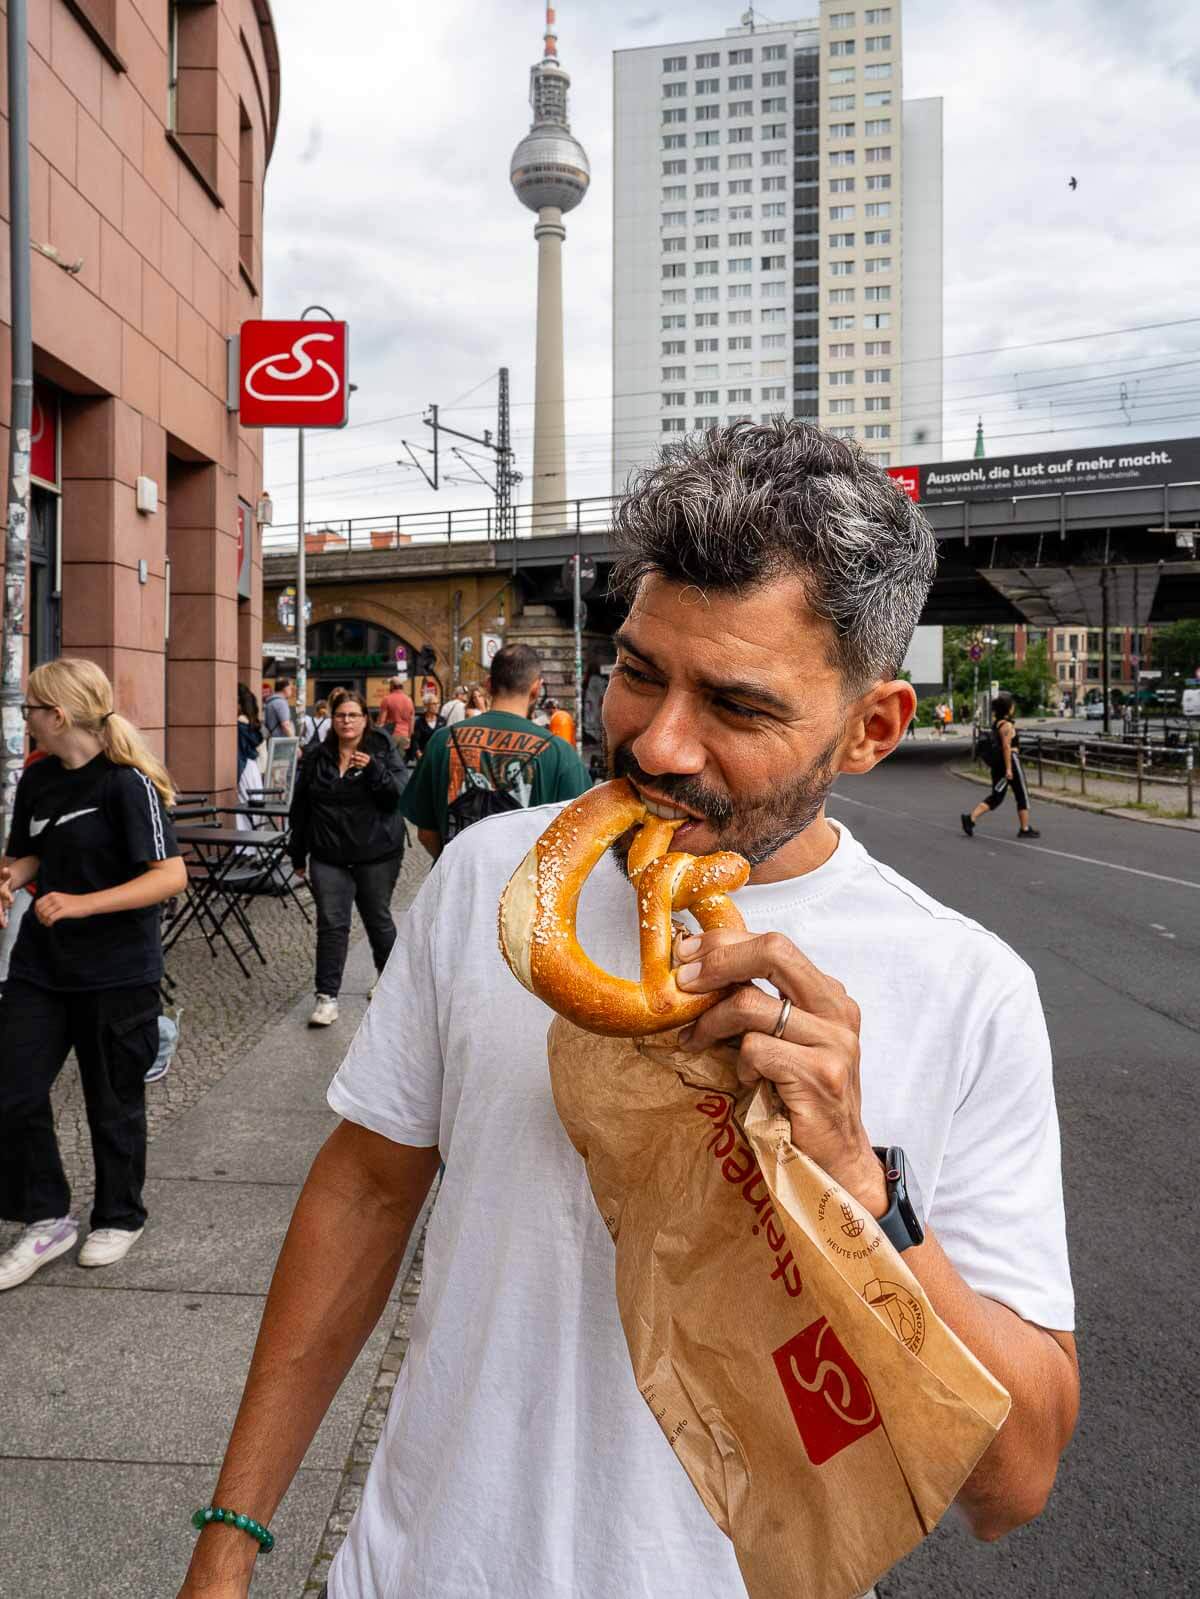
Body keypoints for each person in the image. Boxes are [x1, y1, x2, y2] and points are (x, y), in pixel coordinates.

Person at [177, 423, 1077, 1599]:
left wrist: (860, 1183)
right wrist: (227, 1538)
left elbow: (1014, 1482)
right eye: (641, 670)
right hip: (416, 1569)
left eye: (737, 707)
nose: (654, 742)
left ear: (872, 727)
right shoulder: (494, 879)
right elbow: (365, 1190)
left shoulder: (970, 990)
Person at [0, 658, 186, 1291]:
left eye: (30, 708)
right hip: (40, 969)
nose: (25, 718)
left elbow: (169, 876)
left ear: (57, 715)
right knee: (13, 1090)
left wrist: (80, 903)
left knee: (113, 1103)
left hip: (117, 972)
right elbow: (31, 853)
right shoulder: (38, 779)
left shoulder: (125, 784)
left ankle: (120, 1214)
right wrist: (13, 878)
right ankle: (47, 1216)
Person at [400, 643, 591, 858]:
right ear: (536, 689)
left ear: (488, 684)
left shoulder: (441, 741)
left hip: (455, 887)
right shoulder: (559, 753)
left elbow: (426, 833)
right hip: (526, 890)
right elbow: (579, 841)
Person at [288, 691, 408, 1028]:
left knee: (377, 919)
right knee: (332, 924)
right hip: (329, 856)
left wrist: (374, 770)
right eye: (341, 715)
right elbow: (301, 808)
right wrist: (297, 853)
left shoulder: (381, 750)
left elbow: (398, 795)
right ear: (332, 719)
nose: (347, 721)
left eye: (353, 715)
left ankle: (389, 981)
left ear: (365, 719)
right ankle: (326, 998)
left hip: (376, 854)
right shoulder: (317, 757)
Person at [962, 691, 1040, 839]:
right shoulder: (1007, 725)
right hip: (1010, 762)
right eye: (1012, 704)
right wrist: (1009, 768)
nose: (1014, 707)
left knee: (996, 797)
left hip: (998, 765)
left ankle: (970, 818)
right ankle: (1024, 828)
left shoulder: (997, 723)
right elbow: (1006, 747)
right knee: (1021, 794)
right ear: (1008, 708)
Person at [235, 684, 264, 830]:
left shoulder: (239, 724)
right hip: (252, 767)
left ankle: (246, 847)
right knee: (252, 804)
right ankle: (250, 846)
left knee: (243, 805)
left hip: (244, 766)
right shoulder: (249, 722)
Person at [378, 675, 416, 750]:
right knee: (401, 760)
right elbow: (411, 721)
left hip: (391, 735)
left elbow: (381, 722)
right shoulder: (409, 700)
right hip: (404, 736)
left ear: (392, 686)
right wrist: (409, 738)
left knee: (390, 759)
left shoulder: (387, 699)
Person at [409, 692, 444, 764]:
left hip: (439, 756)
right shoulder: (419, 722)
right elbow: (415, 740)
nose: (437, 706)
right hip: (424, 757)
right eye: (434, 704)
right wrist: (418, 753)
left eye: (438, 703)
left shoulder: (442, 721)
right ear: (426, 705)